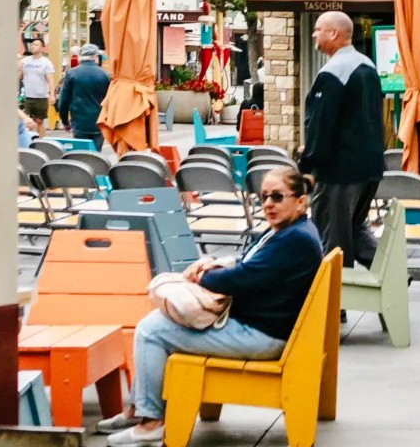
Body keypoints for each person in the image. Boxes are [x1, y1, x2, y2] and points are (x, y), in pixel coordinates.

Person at [95, 165, 326, 447]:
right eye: (262, 197)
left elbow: (240, 278)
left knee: (151, 330)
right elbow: (247, 263)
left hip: (262, 335)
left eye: (277, 197)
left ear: (300, 201)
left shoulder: (295, 239)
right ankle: (139, 410)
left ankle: (151, 421)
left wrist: (204, 275)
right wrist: (215, 267)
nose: (267, 204)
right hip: (264, 327)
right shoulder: (291, 231)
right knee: (158, 323)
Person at [299, 10, 384, 268]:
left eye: (318, 29)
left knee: (333, 239)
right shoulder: (367, 66)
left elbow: (322, 123)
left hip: (339, 171)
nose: (314, 34)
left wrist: (308, 166)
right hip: (369, 167)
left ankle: (337, 304)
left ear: (333, 33)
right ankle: (393, 274)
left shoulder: (334, 71)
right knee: (354, 229)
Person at [57, 44, 112, 142]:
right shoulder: (105, 75)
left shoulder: (71, 74)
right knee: (96, 154)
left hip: (79, 123)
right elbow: (111, 100)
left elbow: (63, 101)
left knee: (81, 153)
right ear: (95, 57)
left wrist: (65, 121)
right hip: (99, 122)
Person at [20, 38, 56, 128]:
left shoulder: (46, 63)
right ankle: (27, 141)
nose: (33, 46)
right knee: (25, 121)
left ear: (42, 48)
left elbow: (50, 80)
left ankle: (40, 140)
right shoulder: (24, 61)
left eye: (36, 45)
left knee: (39, 122)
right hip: (27, 96)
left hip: (41, 97)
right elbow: (18, 75)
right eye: (32, 44)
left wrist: (52, 95)